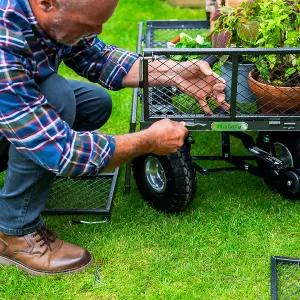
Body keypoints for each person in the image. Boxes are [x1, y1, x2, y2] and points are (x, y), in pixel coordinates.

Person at [0, 0, 228, 276]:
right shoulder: (4, 40)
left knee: (94, 102)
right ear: (46, 3)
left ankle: (30, 169)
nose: (97, 30)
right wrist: (148, 141)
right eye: (88, 24)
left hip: (10, 105)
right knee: (57, 97)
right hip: (13, 107)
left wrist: (177, 73)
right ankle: (15, 232)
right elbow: (63, 152)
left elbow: (99, 58)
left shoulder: (45, 15)